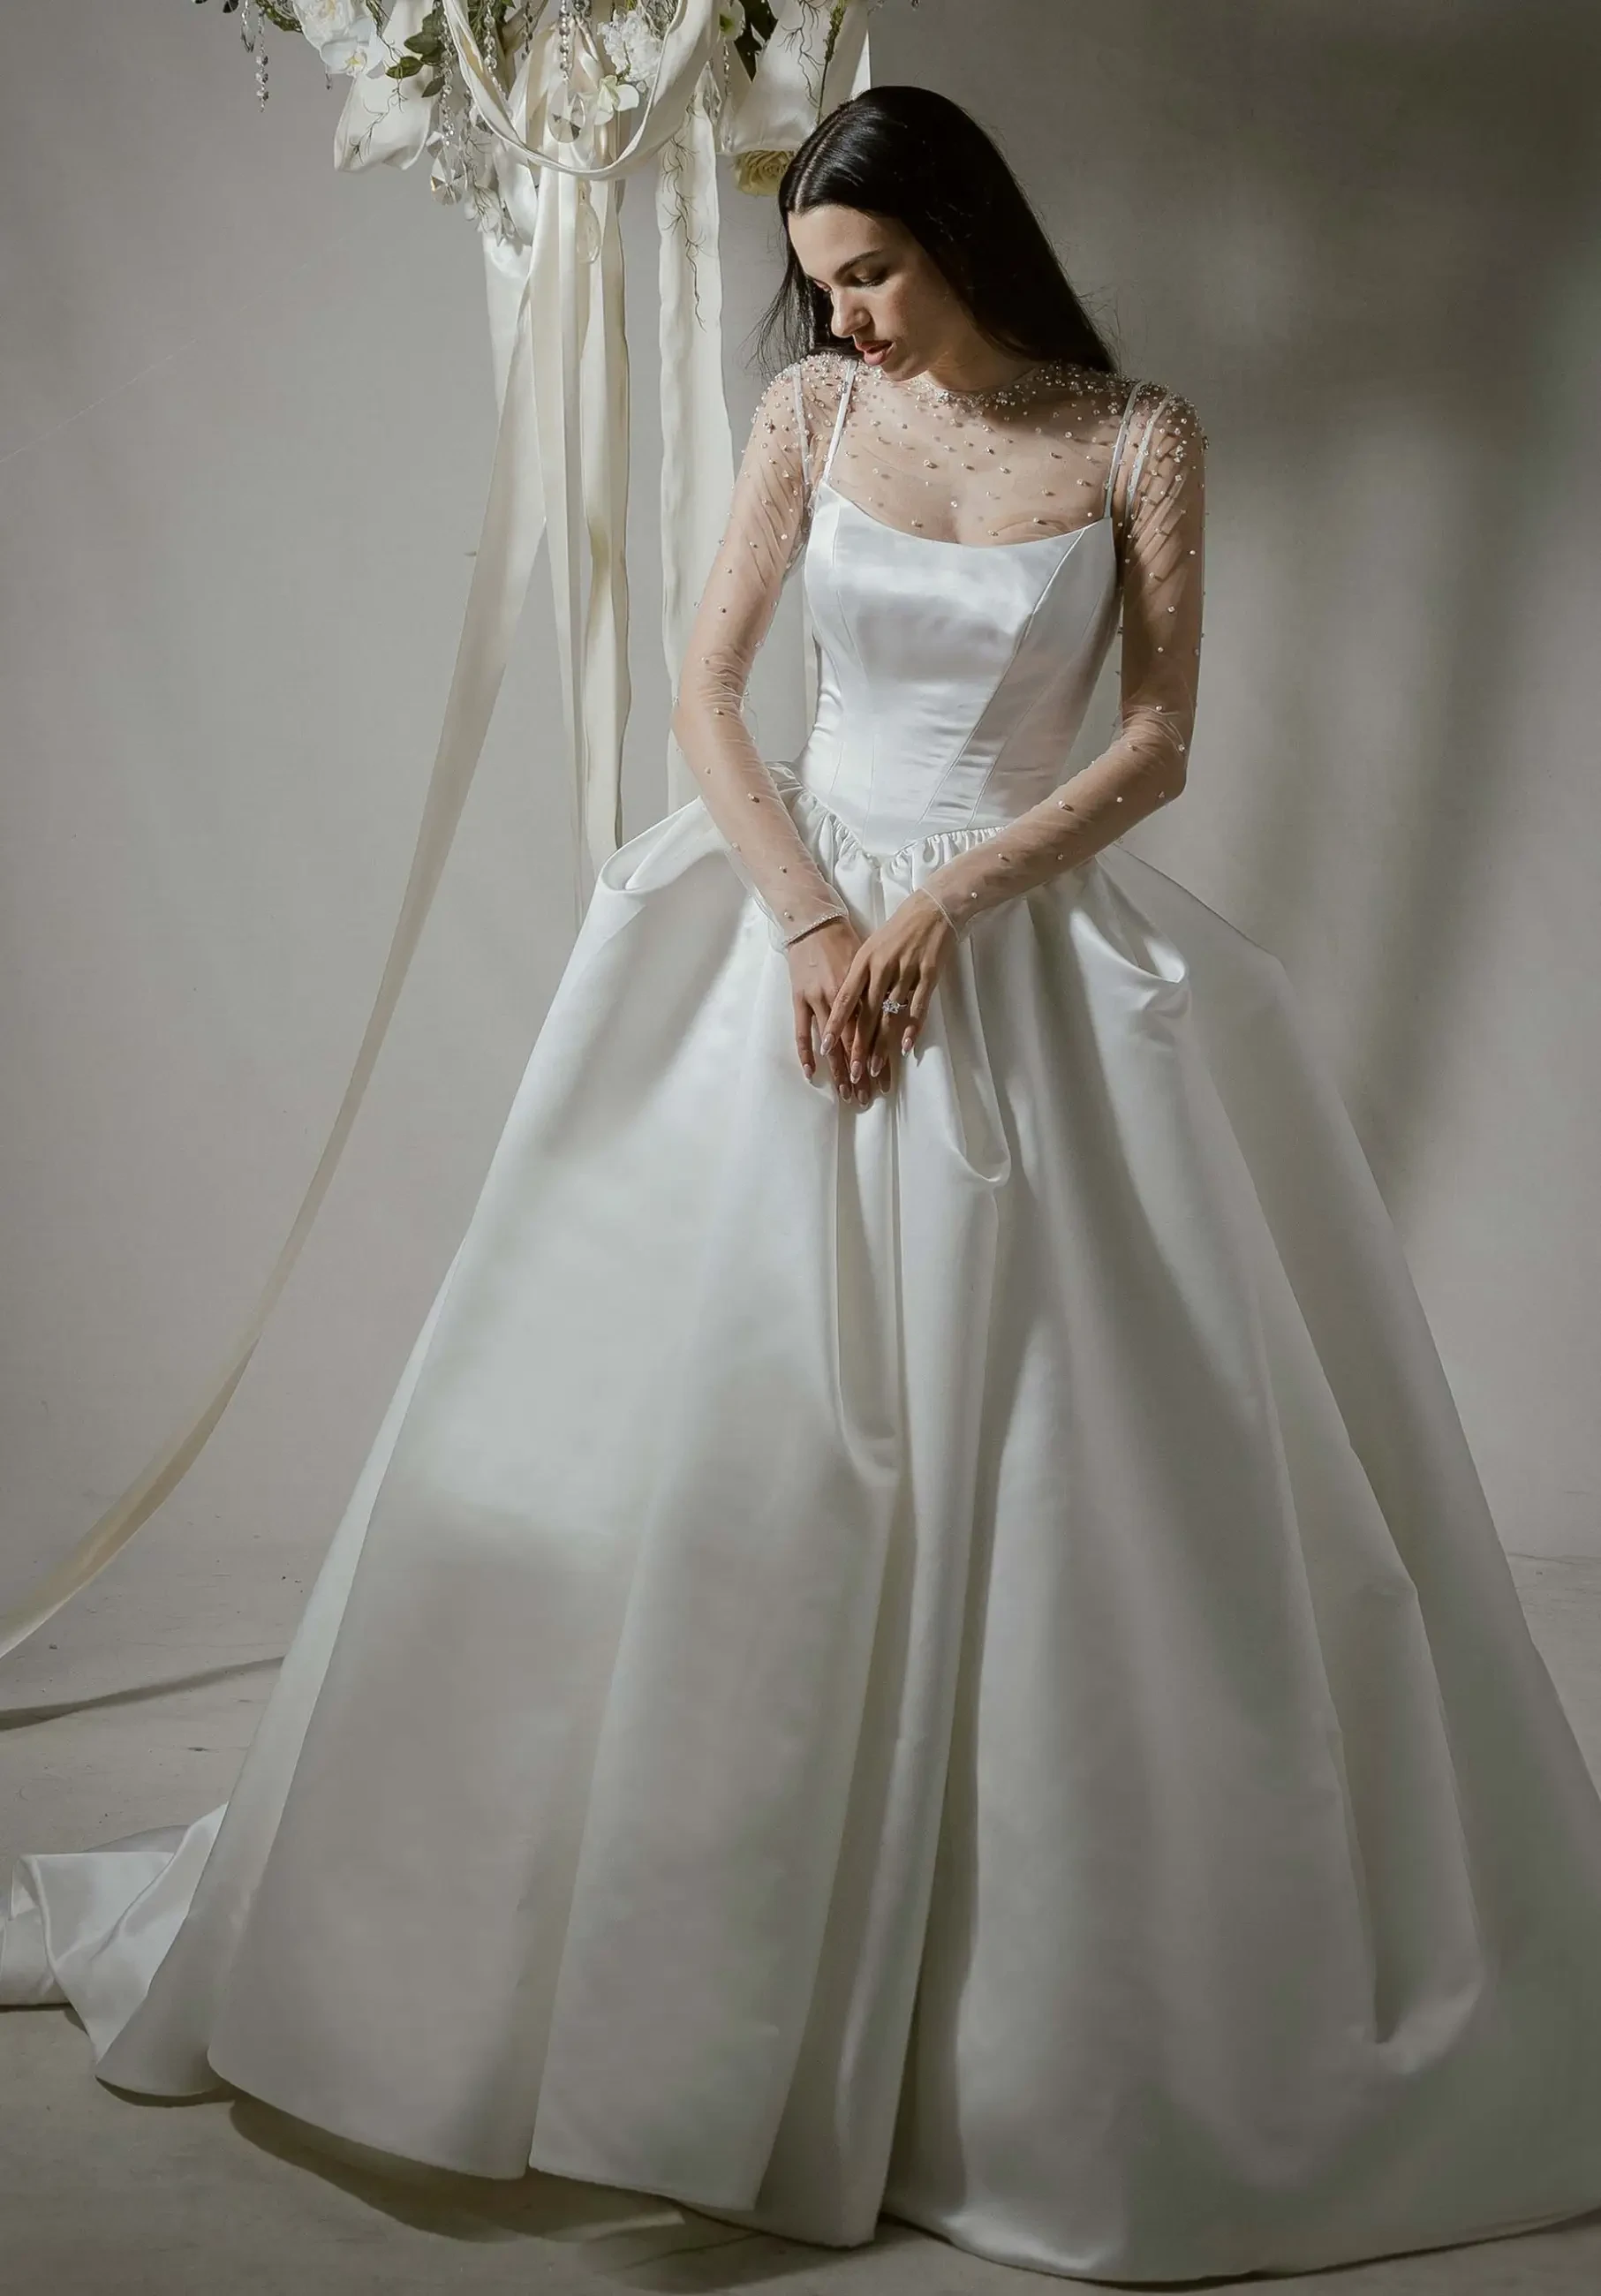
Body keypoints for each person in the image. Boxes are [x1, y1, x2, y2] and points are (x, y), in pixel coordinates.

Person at [8, 81, 1601, 2288]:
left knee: (1055, 1468)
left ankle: (1025, 2025)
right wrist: (812, 924)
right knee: (692, 1437)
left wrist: (949, 907)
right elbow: (708, 689)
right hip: (789, 927)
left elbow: (1156, 738)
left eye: (874, 276)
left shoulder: (1137, 435)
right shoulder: (802, 422)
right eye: (823, 285)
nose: (843, 320)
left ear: (965, 237)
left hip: (1017, 944)